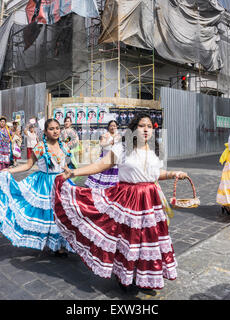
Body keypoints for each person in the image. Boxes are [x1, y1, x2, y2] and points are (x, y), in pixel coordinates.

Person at [53, 113, 188, 291]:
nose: (146, 129)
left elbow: (156, 174)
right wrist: (75, 173)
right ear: (134, 129)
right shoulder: (122, 148)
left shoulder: (155, 150)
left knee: (148, 239)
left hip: (151, 200)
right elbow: (100, 165)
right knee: (128, 238)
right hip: (128, 198)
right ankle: (124, 275)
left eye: (149, 126)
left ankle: (145, 275)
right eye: (141, 125)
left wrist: (173, 174)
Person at [0, 119, 74, 255]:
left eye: (57, 128)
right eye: (51, 128)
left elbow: (65, 165)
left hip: (61, 182)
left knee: (62, 213)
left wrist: (69, 172)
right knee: (47, 215)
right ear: (45, 131)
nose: (55, 131)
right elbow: (28, 165)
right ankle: (48, 242)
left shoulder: (64, 146)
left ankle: (60, 244)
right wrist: (9, 171)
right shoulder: (40, 147)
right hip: (44, 184)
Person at [85, 120, 121, 189]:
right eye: (111, 126)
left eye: (114, 126)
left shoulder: (118, 136)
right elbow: (102, 144)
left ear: (117, 127)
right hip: (105, 157)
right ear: (108, 127)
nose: (113, 127)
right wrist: (109, 143)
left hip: (115, 158)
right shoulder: (105, 135)